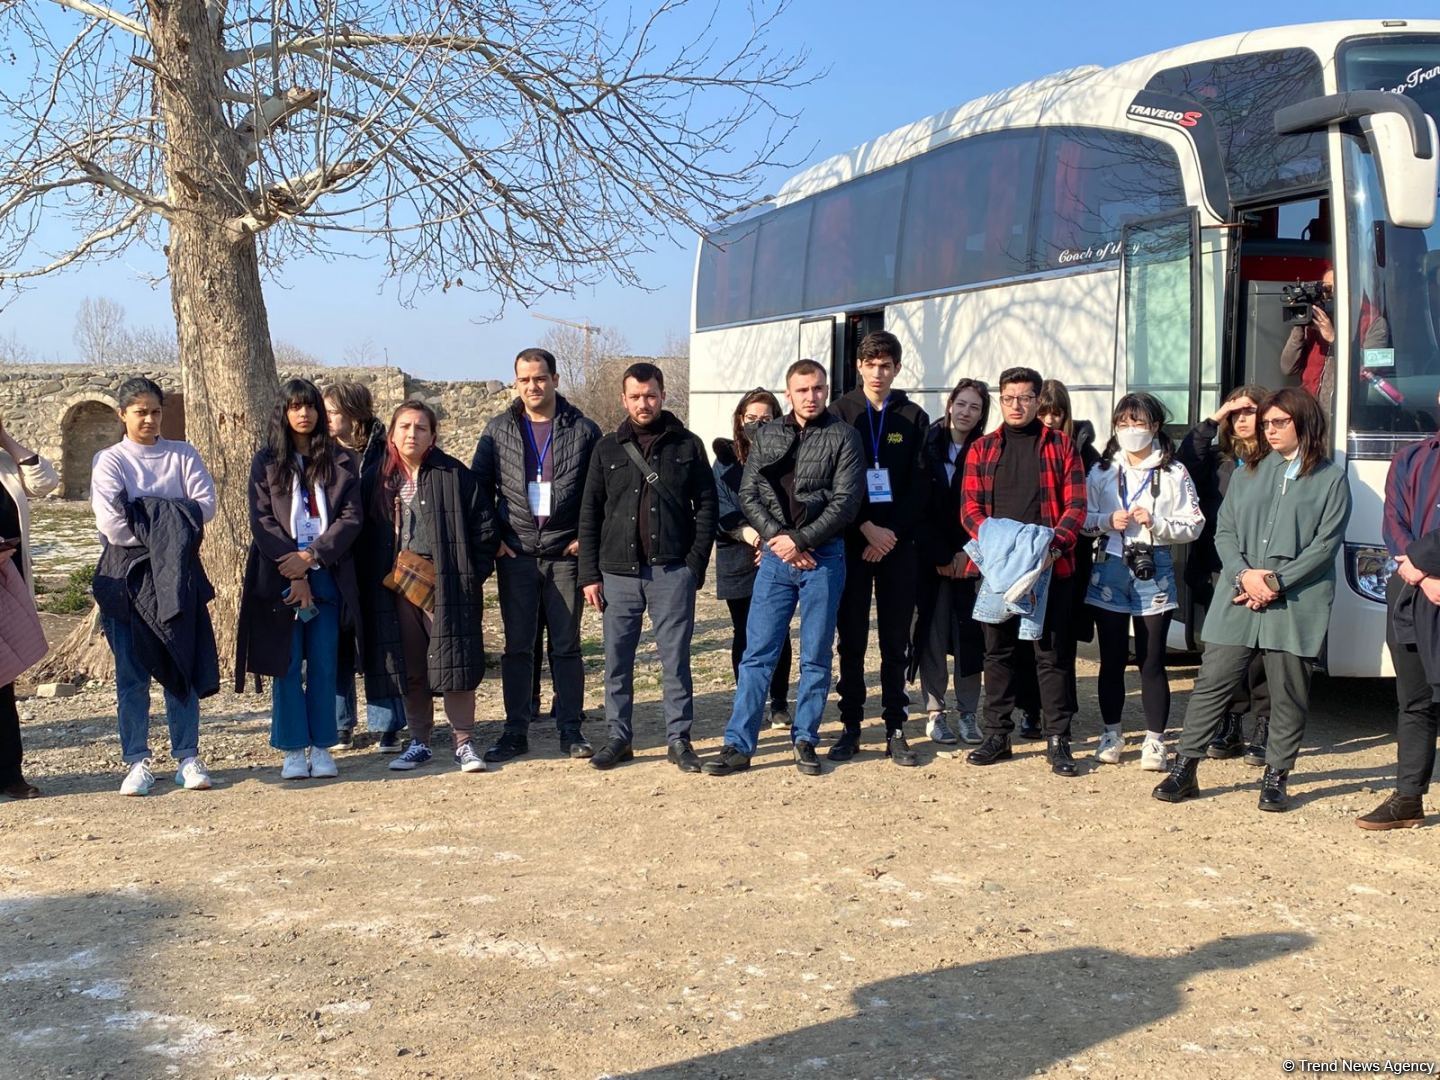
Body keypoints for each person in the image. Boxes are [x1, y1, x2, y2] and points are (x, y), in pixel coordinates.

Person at [1154, 388, 1351, 812]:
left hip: (1296, 597)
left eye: (1279, 422)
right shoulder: (1247, 472)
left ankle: (1276, 776)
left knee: (1287, 691)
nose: (1269, 429)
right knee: (1213, 682)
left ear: (1305, 422)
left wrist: (1275, 582)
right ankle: (1185, 767)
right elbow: (1223, 531)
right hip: (1239, 592)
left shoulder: (1331, 478)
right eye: (1267, 423)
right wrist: (1245, 574)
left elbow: (1325, 545)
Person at [703, 359, 865, 777]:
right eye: (803, 390)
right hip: (776, 559)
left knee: (815, 655)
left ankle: (805, 738)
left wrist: (802, 540)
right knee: (758, 654)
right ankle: (739, 744)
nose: (811, 397)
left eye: (818, 389)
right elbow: (749, 492)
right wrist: (780, 538)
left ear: (826, 390)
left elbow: (846, 501)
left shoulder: (844, 436)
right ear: (788, 393)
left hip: (823, 559)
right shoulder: (769, 435)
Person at [578, 363, 717, 772]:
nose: (644, 403)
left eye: (651, 395)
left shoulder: (688, 445)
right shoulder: (606, 448)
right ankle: (619, 737)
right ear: (624, 399)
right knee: (617, 661)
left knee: (675, 660)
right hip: (618, 574)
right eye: (636, 396)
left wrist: (694, 565)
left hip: (671, 572)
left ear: (663, 395)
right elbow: (590, 513)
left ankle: (679, 739)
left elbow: (707, 506)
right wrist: (589, 574)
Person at [90, 377, 219, 796]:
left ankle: (187, 757)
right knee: (131, 675)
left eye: (155, 411)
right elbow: (111, 522)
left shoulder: (182, 455)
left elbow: (204, 507)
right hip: (126, 577)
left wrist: (145, 510)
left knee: (181, 667)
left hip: (177, 577)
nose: (149, 419)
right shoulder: (110, 461)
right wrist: (168, 524)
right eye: (140, 411)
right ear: (122, 415)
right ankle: (136, 761)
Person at [473, 347, 601, 763]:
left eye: (541, 377)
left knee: (566, 646)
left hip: (565, 553)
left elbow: (598, 493)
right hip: (518, 555)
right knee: (518, 647)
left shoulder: (583, 430)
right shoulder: (498, 431)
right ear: (516, 383)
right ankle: (515, 730)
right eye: (525, 379)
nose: (533, 385)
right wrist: (494, 539)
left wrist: (587, 536)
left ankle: (570, 729)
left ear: (556, 379)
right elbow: (478, 491)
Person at [357, 400, 495, 774]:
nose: (411, 434)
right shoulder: (375, 479)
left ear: (433, 435)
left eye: (420, 428)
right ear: (391, 434)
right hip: (396, 587)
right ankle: (418, 741)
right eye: (404, 427)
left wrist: (467, 576)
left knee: (454, 662)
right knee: (411, 665)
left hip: (447, 585)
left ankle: (463, 742)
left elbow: (485, 529)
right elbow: (363, 538)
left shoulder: (454, 475)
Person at [962, 366, 1086, 777]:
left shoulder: (1061, 446)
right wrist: (1002, 553)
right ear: (1001, 399)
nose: (1017, 405)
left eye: (1026, 398)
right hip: (998, 571)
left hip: (1052, 566)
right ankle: (997, 734)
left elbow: (1076, 507)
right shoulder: (983, 448)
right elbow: (970, 512)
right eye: (1010, 398)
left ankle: (1057, 739)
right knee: (997, 653)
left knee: (1051, 655)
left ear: (1038, 400)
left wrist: (1052, 548)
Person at [236, 379, 364, 781]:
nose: (303, 414)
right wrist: (291, 563)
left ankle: (323, 744)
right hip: (280, 573)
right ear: (284, 413)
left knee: (324, 662)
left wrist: (312, 557)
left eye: (310, 407)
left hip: (327, 571)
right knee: (287, 663)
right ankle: (293, 748)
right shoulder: (267, 461)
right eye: (295, 407)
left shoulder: (342, 462)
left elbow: (351, 517)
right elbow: (262, 519)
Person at [1082, 393, 1205, 771]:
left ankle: (1155, 740)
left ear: (1155, 427)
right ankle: (1112, 732)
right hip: (1110, 565)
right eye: (1124, 423)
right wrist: (1106, 521)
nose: (1132, 431)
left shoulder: (1173, 473)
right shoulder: (1102, 471)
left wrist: (1157, 523)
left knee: (1152, 659)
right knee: (1112, 659)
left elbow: (1195, 524)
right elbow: (1082, 519)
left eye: (1140, 423)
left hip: (1155, 564)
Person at [828, 331, 930, 766]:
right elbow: (831, 481)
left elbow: (921, 484)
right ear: (859, 367)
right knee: (850, 641)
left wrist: (889, 534)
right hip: (852, 542)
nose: (878, 372)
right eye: (870, 365)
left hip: (897, 545)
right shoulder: (838, 413)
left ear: (897, 369)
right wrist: (864, 528)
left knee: (894, 641)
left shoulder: (913, 416)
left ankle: (894, 726)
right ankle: (851, 725)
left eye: (885, 365)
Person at [1357, 397, 1440, 830]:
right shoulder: (1411, 458)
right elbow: (1393, 521)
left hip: (1423, 577)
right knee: (1415, 702)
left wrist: (1422, 563)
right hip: (1413, 592)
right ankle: (1409, 798)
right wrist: (1422, 574)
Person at [1177, 386, 1272, 765]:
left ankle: (1264, 723)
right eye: (1237, 414)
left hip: (1264, 569)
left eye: (1251, 412)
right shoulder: (1217, 459)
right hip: (1219, 567)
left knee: (1264, 652)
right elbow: (1184, 459)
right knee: (1223, 652)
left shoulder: (1277, 462)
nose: (1243, 420)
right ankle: (1230, 722)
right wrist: (1216, 416)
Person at [324, 381, 405, 752]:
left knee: (380, 640)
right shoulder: (319, 453)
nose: (325, 419)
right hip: (336, 558)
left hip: (377, 556)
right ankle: (339, 723)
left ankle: (386, 724)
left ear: (354, 412)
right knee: (336, 642)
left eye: (332, 412)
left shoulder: (385, 450)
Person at [911, 378, 989, 747]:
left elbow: (991, 509)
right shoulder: (925, 444)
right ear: (950, 404)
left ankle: (969, 713)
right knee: (932, 635)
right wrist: (941, 555)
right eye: (961, 404)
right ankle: (935, 712)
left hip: (973, 560)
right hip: (932, 560)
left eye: (975, 407)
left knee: (971, 639)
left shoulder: (988, 451)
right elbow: (917, 506)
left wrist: (967, 554)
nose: (966, 412)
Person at [713, 388, 793, 729]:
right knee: (744, 632)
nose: (758, 425)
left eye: (766, 419)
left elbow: (792, 502)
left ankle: (778, 701)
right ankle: (749, 700)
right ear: (739, 420)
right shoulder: (725, 461)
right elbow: (724, 510)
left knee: (778, 631)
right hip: (738, 551)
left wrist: (773, 543)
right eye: (751, 419)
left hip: (779, 551)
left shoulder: (789, 454)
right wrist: (756, 538)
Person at [1032, 378, 1099, 738]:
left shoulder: (1084, 449)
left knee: (1063, 638)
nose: (1050, 420)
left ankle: (1063, 708)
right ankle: (1031, 707)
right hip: (1033, 553)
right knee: (1032, 636)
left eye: (1057, 413)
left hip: (1070, 553)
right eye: (1044, 412)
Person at [0, 416, 59, 800]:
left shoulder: (6, 463)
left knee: (4, 685)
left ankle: (10, 775)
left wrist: (7, 441)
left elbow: (46, 483)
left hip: (9, 585)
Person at [1279, 267, 1389, 412]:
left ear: (1352, 288)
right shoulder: (1317, 320)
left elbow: (1372, 365)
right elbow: (1287, 368)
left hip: (1347, 409)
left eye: (1331, 289)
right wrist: (1299, 328)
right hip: (1310, 409)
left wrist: (1333, 338)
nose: (1326, 294)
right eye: (1324, 288)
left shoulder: (1373, 321)